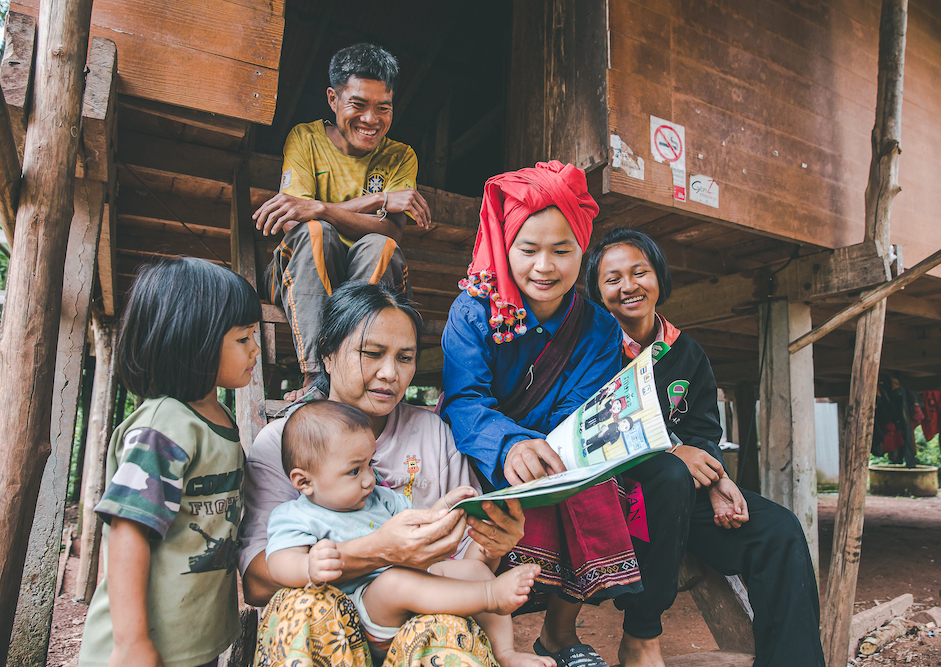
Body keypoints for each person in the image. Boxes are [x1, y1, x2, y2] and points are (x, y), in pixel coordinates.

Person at [239, 281, 527, 667]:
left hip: (415, 630)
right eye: (372, 353)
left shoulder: (433, 434)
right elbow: (257, 583)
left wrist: (492, 543)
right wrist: (378, 552)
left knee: (445, 629)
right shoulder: (282, 443)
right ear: (327, 354)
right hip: (325, 636)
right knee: (303, 605)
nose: (390, 373)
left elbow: (463, 564)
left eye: (405, 358)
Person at [585, 227, 825, 667]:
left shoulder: (687, 353)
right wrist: (672, 455)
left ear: (659, 277)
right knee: (672, 472)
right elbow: (590, 433)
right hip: (612, 495)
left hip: (678, 497)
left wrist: (718, 482)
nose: (628, 286)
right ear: (597, 292)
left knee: (779, 530)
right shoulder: (589, 349)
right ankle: (640, 633)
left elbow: (702, 433)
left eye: (640, 272)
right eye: (613, 278)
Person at [440, 160, 634, 667]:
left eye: (561, 250)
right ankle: (479, 641)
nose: (544, 267)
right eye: (528, 250)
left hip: (554, 451)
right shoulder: (473, 311)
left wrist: (547, 448)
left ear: (582, 251)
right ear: (506, 248)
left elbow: (579, 410)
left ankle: (559, 634)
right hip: (484, 450)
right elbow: (465, 400)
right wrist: (507, 444)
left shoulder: (599, 329)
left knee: (595, 484)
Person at [265, 400, 553, 667]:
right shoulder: (295, 516)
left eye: (370, 464)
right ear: (304, 481)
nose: (368, 479)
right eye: (354, 471)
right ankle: (491, 595)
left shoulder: (383, 499)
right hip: (365, 613)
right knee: (393, 581)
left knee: (473, 569)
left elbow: (421, 528)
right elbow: (278, 563)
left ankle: (505, 652)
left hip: (415, 596)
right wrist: (307, 566)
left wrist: (447, 508)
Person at [79, 258, 262, 667]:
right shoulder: (167, 426)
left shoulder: (218, 416)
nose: (256, 348)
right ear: (193, 340)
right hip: (145, 647)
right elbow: (130, 530)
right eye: (243, 338)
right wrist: (131, 643)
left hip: (190, 640)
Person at [252, 42, 432, 398]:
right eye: (358, 105)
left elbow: (392, 229)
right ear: (333, 99)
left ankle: (352, 373)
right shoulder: (305, 138)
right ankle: (316, 377)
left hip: (366, 278)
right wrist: (377, 199)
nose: (371, 119)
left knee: (380, 245)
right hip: (299, 272)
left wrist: (318, 206)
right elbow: (294, 222)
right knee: (316, 233)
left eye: (383, 107)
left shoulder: (400, 156)